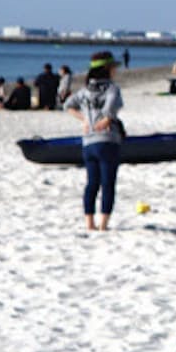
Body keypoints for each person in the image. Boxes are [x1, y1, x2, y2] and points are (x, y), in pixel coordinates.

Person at [63, 51, 125, 231]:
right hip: (107, 140)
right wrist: (106, 119)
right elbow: (110, 109)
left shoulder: (84, 91)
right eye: (113, 68)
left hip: (88, 142)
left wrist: (85, 119)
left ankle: (89, 223)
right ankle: (103, 224)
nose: (115, 71)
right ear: (107, 69)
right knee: (108, 184)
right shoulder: (112, 88)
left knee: (91, 184)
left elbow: (67, 105)